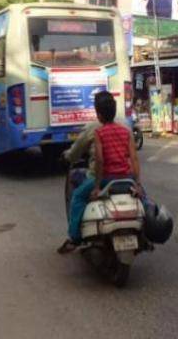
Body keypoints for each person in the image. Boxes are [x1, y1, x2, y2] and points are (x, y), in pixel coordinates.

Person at [59, 91, 141, 254]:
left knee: (77, 197)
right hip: (127, 178)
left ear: (99, 114)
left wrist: (97, 187)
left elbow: (100, 161)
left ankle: (74, 238)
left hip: (104, 179)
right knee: (143, 198)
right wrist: (137, 184)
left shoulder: (97, 131)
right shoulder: (126, 129)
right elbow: (134, 158)